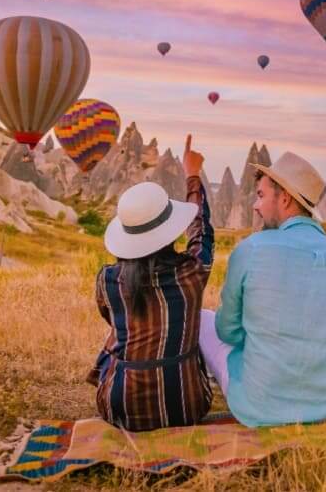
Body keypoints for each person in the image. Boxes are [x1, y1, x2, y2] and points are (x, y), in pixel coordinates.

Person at [198, 152, 326, 427]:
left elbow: (226, 331)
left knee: (201, 319)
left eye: (261, 195)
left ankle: (199, 386)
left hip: (256, 407)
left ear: (285, 198)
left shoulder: (250, 249)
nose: (255, 205)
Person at [87, 135, 214, 431]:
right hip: (187, 407)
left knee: (121, 332)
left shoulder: (108, 280)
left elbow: (111, 319)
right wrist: (192, 175)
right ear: (170, 231)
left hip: (122, 411)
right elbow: (202, 230)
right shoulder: (193, 272)